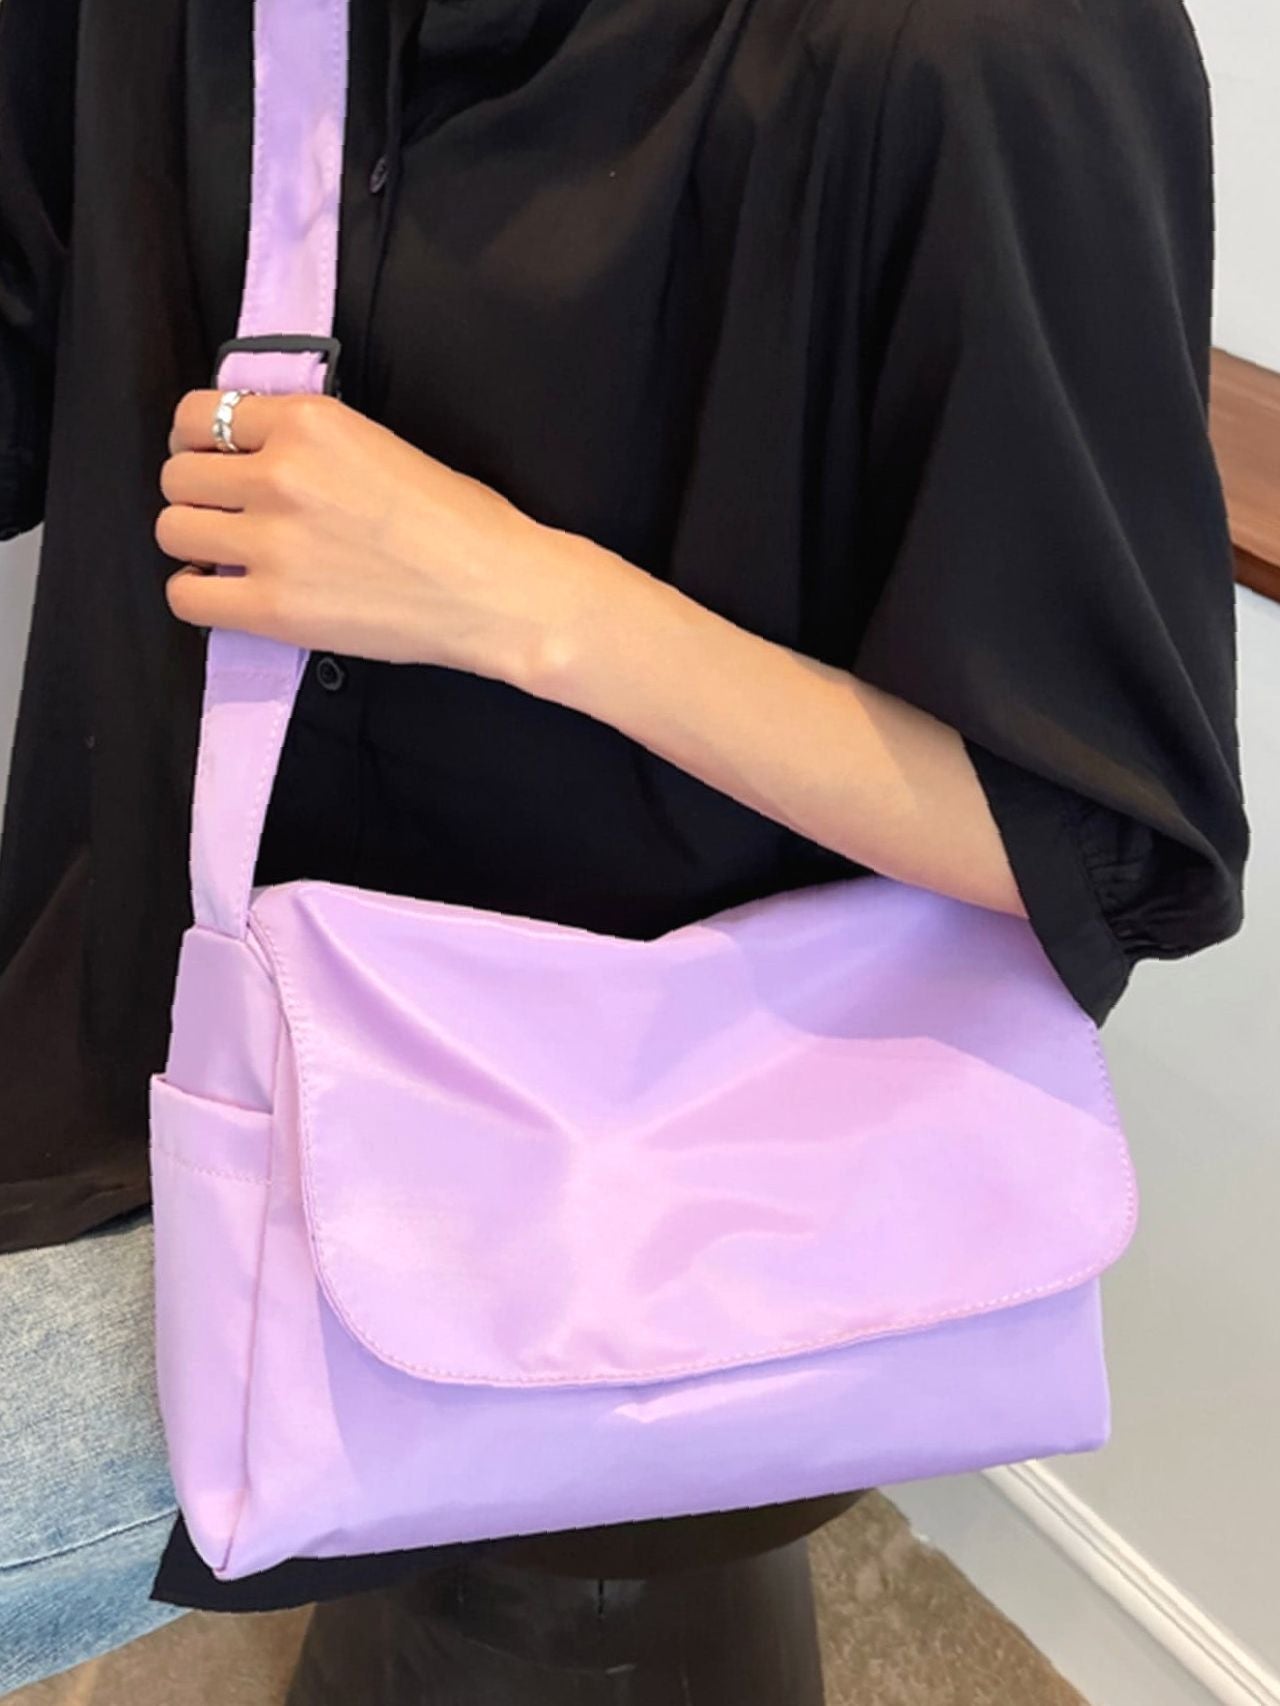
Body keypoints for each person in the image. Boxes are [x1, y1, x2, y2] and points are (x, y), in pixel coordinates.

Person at [0, 0, 1250, 1697]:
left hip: (645, 1200)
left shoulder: (995, 48)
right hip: (140, 1053)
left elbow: (1104, 839)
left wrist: (526, 600)